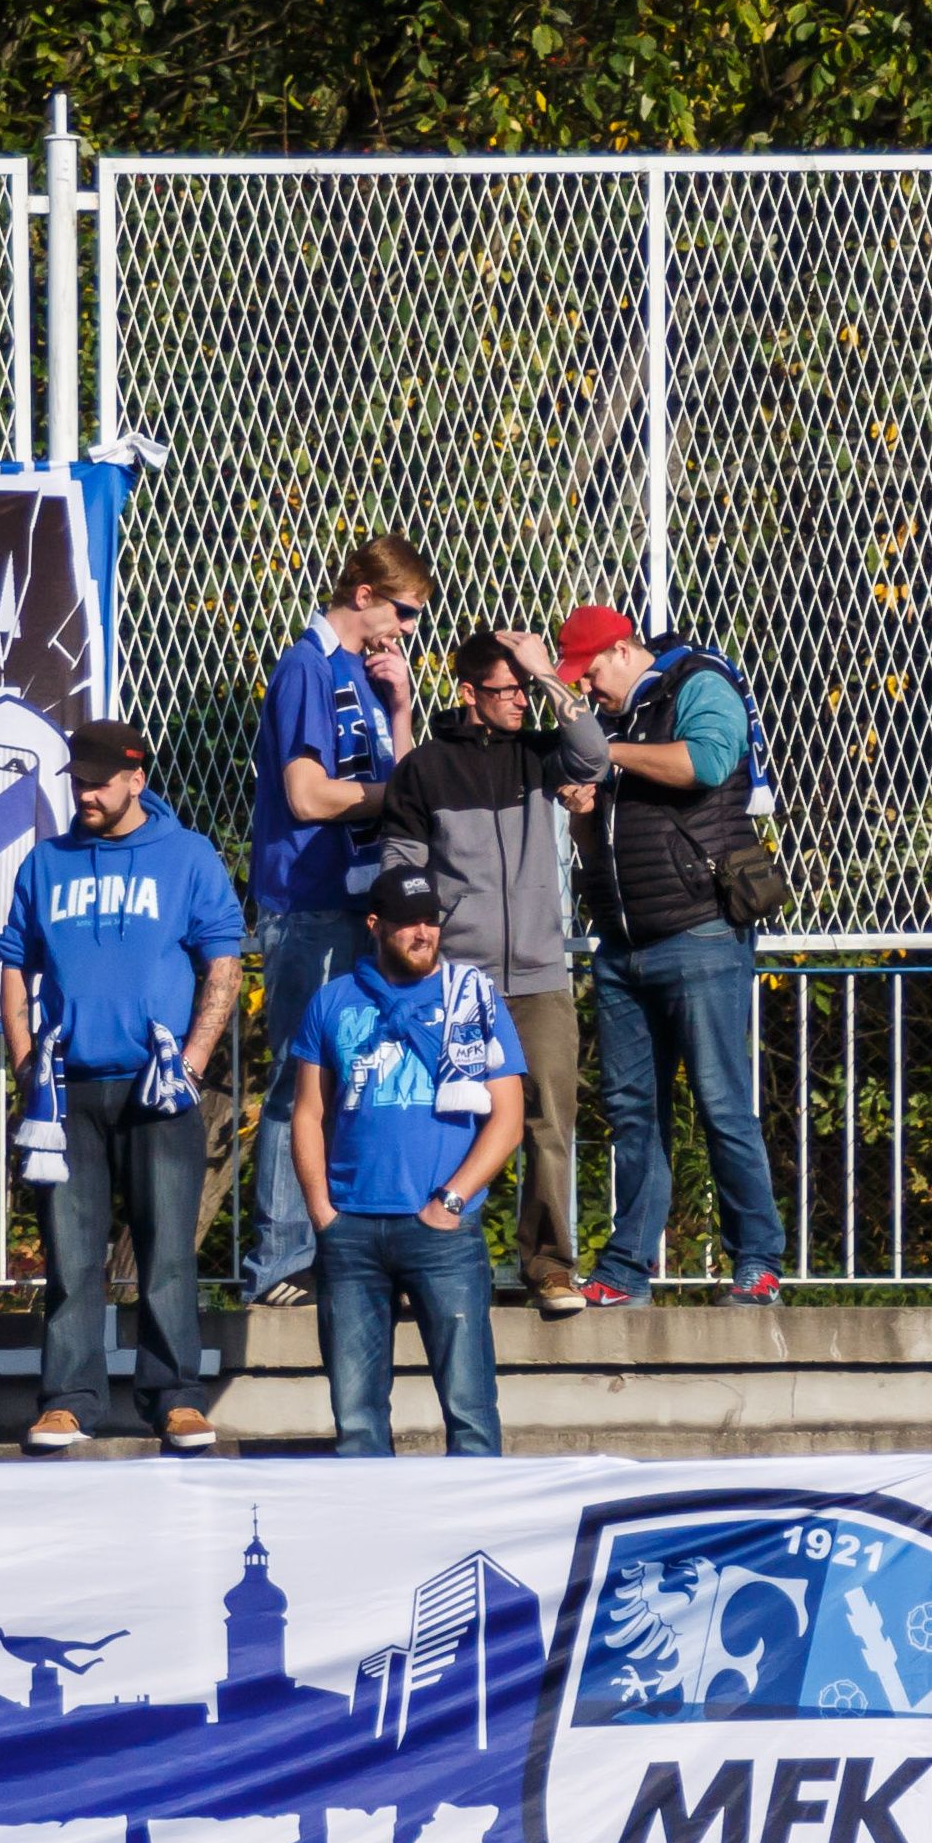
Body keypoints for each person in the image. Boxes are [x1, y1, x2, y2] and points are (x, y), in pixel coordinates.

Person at [0, 720, 244, 1456]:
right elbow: (15, 961)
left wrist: (193, 1060)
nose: (86, 794)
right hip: (68, 1090)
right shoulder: (47, 861)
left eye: (100, 782)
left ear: (138, 779)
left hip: (156, 1087)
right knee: (71, 1257)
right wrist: (25, 1063)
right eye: (78, 781)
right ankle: (68, 1401)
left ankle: (176, 1398)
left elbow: (223, 961)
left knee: (167, 1254)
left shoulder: (188, 855)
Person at [558, 601, 787, 1309]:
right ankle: (627, 1267)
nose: (586, 687)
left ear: (623, 649)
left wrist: (607, 752)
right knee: (633, 1112)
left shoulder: (698, 682)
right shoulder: (614, 720)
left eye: (590, 671)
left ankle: (758, 1262)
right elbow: (598, 844)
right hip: (623, 942)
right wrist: (583, 812)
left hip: (700, 930)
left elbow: (708, 762)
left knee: (722, 1103)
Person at [379, 627, 606, 1318]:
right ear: (469, 693)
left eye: (524, 690)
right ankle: (427, 1263)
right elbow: (401, 867)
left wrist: (546, 674)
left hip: (539, 976)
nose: (520, 702)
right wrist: (427, 945)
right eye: (506, 690)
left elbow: (593, 752)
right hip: (457, 981)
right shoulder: (425, 768)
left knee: (549, 1123)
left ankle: (550, 1266)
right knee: (439, 1121)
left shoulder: (540, 754)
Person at [244, 535, 434, 1306]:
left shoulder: (368, 670)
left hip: (365, 902)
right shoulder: (308, 666)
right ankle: (279, 1260)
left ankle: (354, 1254)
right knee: (302, 1078)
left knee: (367, 1079)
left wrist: (402, 705)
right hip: (310, 900)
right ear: (364, 595)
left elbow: (404, 777)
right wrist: (398, 798)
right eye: (406, 611)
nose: (410, 628)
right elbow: (307, 795)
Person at [289, 870, 530, 1457]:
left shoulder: (472, 998)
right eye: (408, 922)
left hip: (442, 1230)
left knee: (470, 1410)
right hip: (350, 1230)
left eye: (431, 920)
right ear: (376, 925)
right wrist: (322, 1212)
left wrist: (451, 1201)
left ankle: (476, 1513)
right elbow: (307, 1113)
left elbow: (508, 1119)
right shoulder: (333, 1000)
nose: (424, 933)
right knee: (356, 1419)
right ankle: (370, 1515)